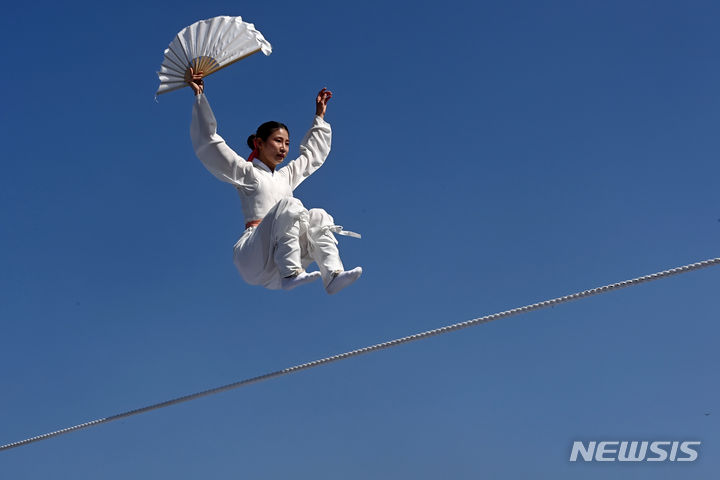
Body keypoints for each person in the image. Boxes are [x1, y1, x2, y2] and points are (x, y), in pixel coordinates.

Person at [187, 69, 362, 294]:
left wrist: (319, 118)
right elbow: (210, 144)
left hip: (278, 262)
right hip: (253, 256)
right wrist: (200, 97)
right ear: (259, 143)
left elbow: (312, 157)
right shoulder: (247, 172)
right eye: (278, 141)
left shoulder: (285, 176)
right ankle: (292, 274)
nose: (283, 148)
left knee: (317, 214)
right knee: (291, 204)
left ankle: (333, 275)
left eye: (287, 143)